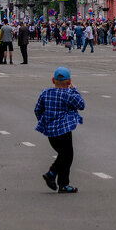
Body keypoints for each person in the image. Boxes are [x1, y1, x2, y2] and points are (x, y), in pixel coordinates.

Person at [36, 66, 85, 194]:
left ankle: (62, 184)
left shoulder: (45, 93)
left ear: (53, 80)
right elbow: (81, 105)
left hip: (51, 132)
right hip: (64, 131)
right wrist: (74, 89)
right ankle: (52, 175)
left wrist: (44, 120)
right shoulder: (69, 94)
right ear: (69, 82)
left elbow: (38, 109)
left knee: (64, 155)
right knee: (67, 155)